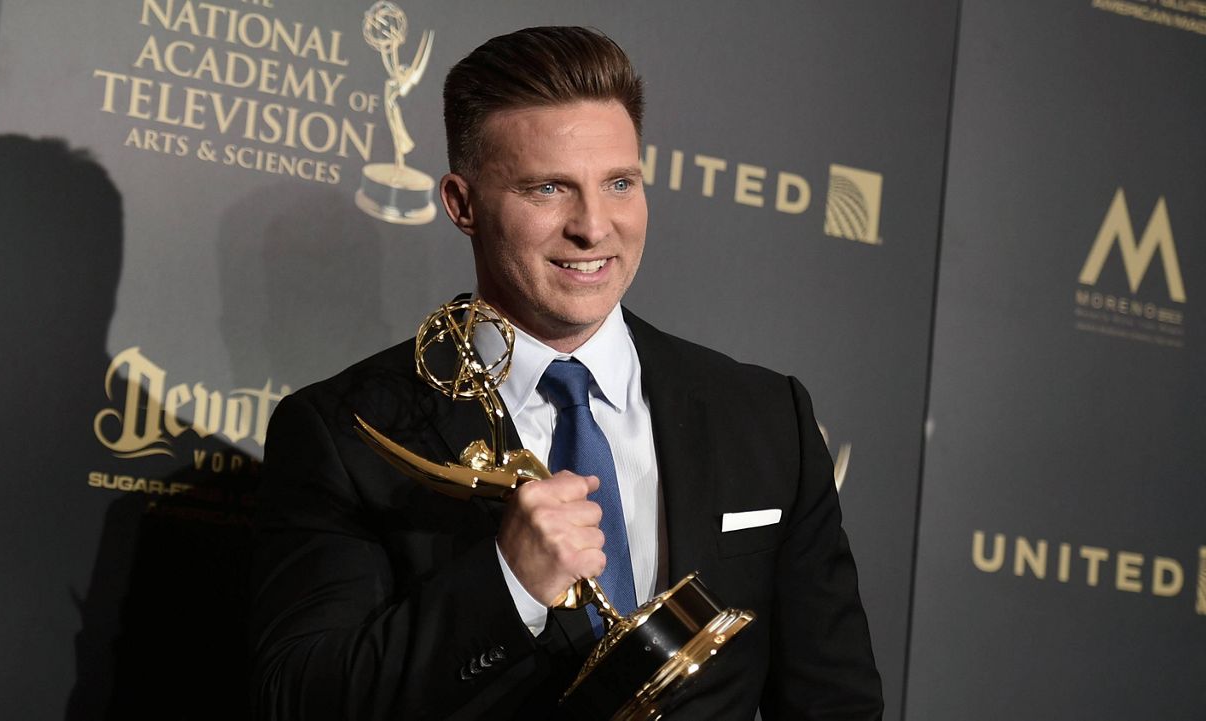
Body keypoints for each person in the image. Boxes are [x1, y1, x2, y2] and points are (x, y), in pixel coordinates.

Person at [250, 26, 883, 720]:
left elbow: (835, 702)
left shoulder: (765, 417)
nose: (593, 226)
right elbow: (302, 699)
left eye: (619, 183)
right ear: (463, 205)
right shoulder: (351, 433)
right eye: (548, 188)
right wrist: (506, 581)